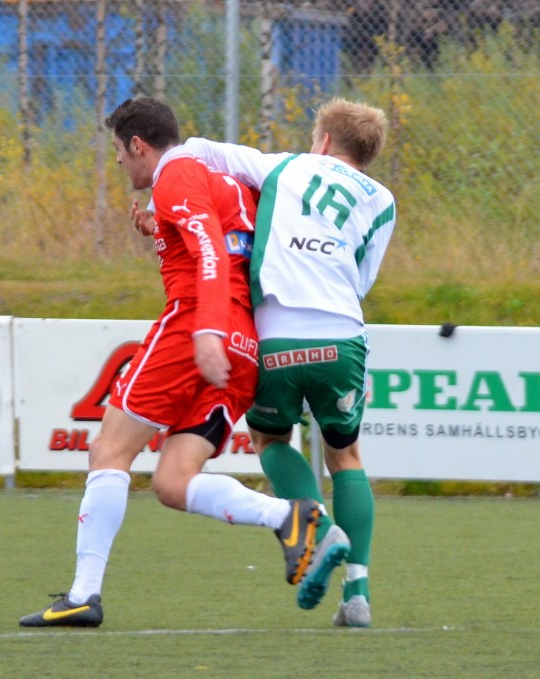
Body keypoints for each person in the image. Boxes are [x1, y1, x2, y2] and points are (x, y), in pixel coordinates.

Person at [19, 97, 342, 629]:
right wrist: (162, 230)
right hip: (246, 344)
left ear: (138, 145)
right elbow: (233, 241)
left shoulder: (176, 174)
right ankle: (290, 515)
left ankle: (83, 594)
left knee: (108, 449)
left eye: (119, 150)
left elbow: (210, 251)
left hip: (197, 325)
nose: (118, 161)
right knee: (173, 482)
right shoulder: (228, 180)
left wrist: (206, 328)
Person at [156, 97, 396, 627]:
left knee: (270, 441)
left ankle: (317, 531)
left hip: (275, 338)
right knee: (346, 456)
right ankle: (357, 593)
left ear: (324, 141)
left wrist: (163, 206)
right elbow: (363, 278)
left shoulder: (286, 166)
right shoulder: (383, 200)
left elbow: (197, 150)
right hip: (341, 337)